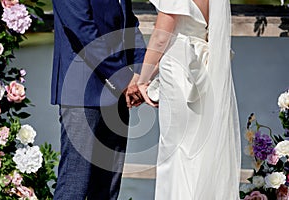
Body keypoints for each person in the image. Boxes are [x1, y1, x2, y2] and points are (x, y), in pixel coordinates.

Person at [138, 0, 241, 199]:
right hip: (203, 67)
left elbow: (161, 37)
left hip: (179, 69)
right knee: (196, 148)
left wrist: (143, 79)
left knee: (174, 150)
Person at [50, 0, 146, 199]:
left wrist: (140, 73)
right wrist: (123, 79)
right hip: (82, 93)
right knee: (74, 184)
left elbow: (130, 25)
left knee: (108, 189)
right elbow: (82, 29)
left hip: (119, 96)